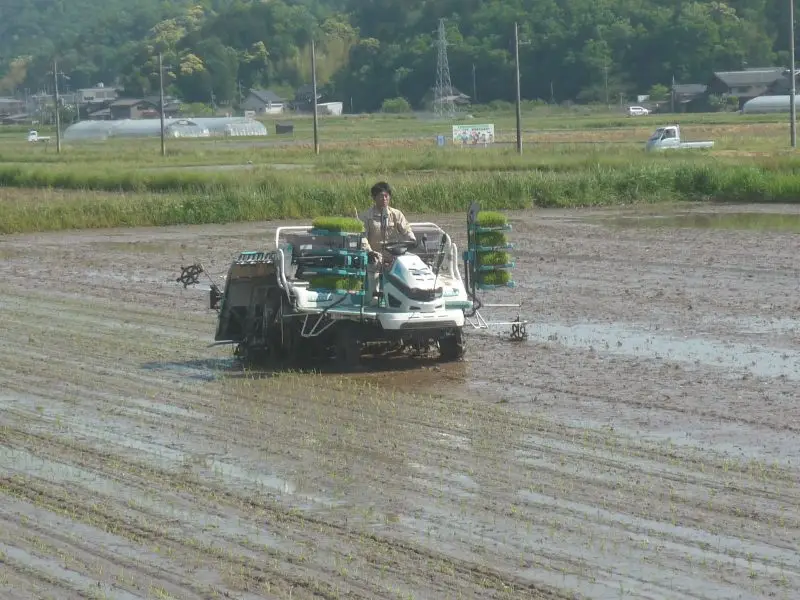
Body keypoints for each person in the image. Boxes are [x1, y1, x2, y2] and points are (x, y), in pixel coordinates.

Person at [359, 181, 416, 302]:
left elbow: (406, 231)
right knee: (373, 264)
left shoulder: (396, 214)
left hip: (394, 254)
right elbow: (362, 237)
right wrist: (369, 251)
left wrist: (412, 241)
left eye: (386, 196)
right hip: (375, 254)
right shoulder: (366, 216)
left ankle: (407, 298)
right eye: (381, 196)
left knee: (410, 263)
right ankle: (373, 300)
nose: (384, 199)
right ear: (374, 198)